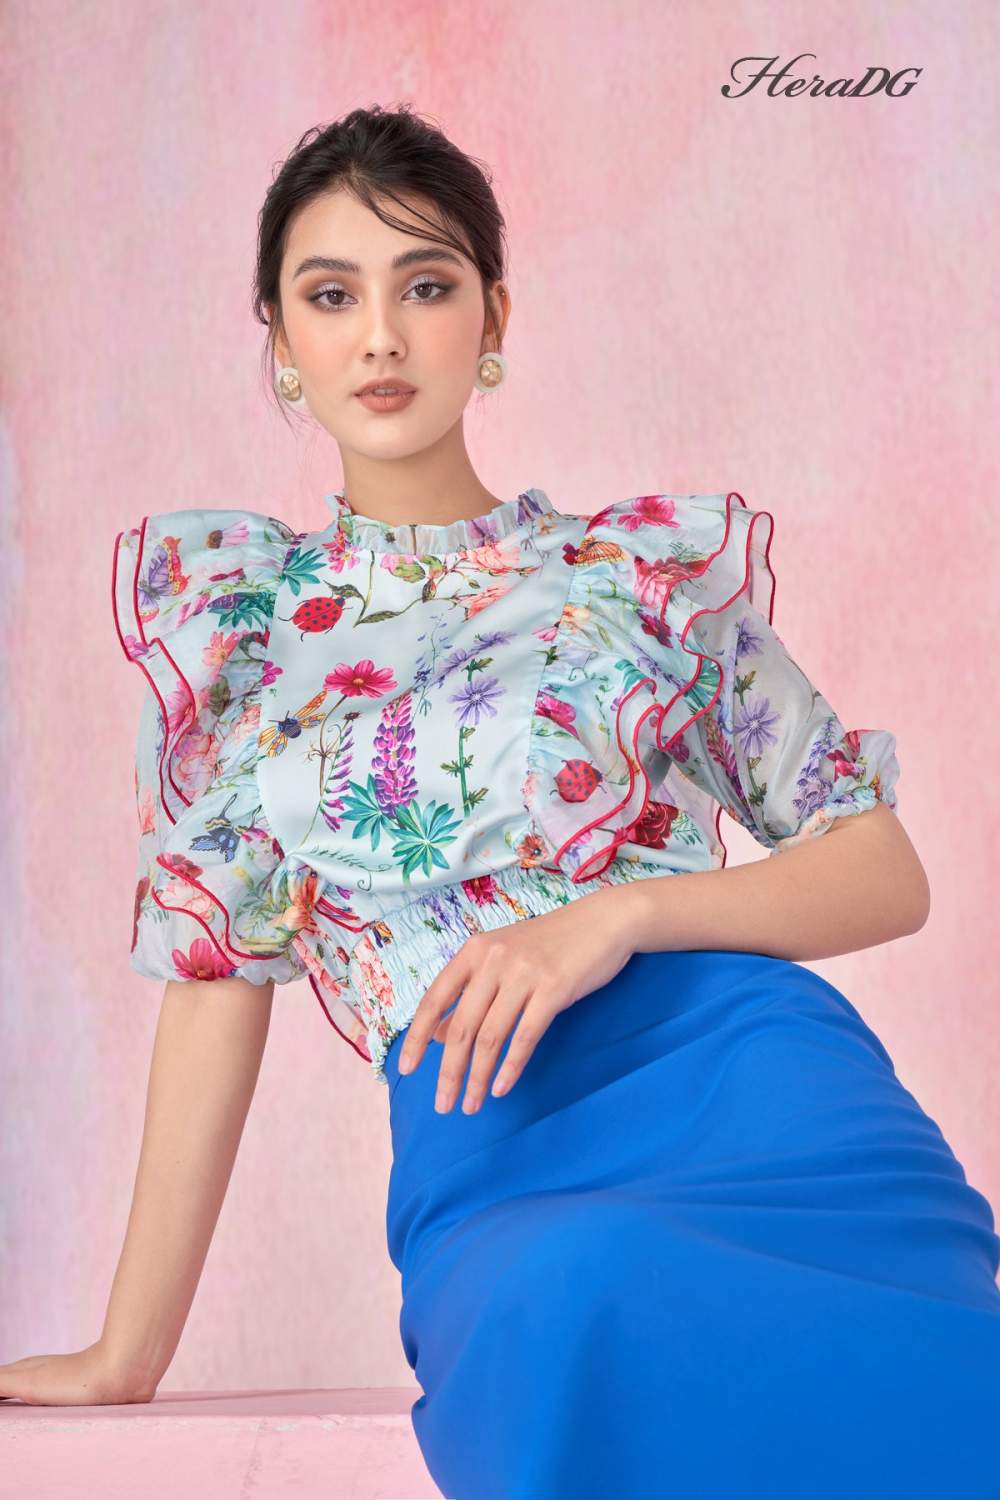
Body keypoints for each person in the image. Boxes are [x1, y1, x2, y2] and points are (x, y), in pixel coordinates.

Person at [3, 103, 999, 1497]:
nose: (381, 337)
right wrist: (129, 1351)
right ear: (278, 340)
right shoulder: (245, 642)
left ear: (494, 315)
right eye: (331, 296)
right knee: (571, 1292)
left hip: (758, 1083)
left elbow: (883, 869)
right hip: (494, 1141)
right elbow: (214, 985)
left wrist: (619, 918)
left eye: (425, 286)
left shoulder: (634, 579)